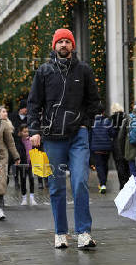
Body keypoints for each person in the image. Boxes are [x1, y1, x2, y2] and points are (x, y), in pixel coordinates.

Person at [28, 28, 100, 249]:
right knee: (56, 186)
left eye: (67, 41)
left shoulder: (84, 70)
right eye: (60, 41)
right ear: (54, 46)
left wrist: (85, 124)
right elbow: (33, 104)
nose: (63, 45)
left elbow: (94, 102)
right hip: (52, 137)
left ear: (73, 46)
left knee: (80, 183)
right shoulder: (44, 71)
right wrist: (34, 131)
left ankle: (84, 232)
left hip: (78, 135)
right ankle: (60, 232)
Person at [90, 103, 114, 194]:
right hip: (107, 147)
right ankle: (104, 182)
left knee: (99, 166)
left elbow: (90, 135)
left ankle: (102, 183)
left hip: (96, 148)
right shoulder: (108, 121)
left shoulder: (92, 122)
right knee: (105, 165)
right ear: (103, 111)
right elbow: (112, 133)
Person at [14, 124, 37, 206]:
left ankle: (32, 198)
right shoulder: (18, 141)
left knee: (31, 179)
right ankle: (24, 198)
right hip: (22, 164)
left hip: (31, 163)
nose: (26, 133)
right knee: (23, 181)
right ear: (20, 132)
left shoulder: (31, 140)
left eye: (27, 131)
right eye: (24, 132)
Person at [110, 103, 131, 190]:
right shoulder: (126, 117)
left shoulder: (112, 119)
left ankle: (122, 185)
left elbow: (111, 132)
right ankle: (129, 183)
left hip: (116, 144)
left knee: (119, 165)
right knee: (127, 164)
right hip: (126, 143)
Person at [9, 100, 28, 188]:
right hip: (15, 143)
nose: (27, 109)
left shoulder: (28, 117)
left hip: (26, 143)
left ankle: (23, 179)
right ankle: (16, 180)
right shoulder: (13, 116)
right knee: (15, 162)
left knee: (24, 162)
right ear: (21, 108)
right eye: (25, 108)